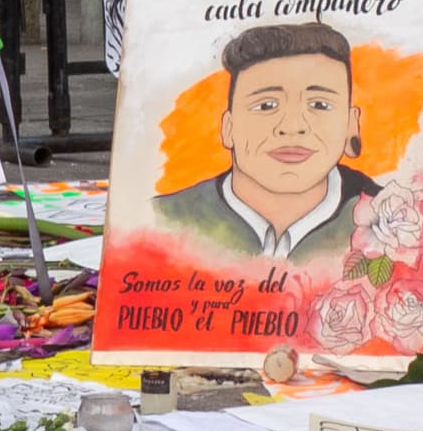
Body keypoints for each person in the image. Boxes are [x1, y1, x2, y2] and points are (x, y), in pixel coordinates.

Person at [147, 19, 381, 267]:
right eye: (266, 105)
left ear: (351, 125)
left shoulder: (401, 224)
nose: (292, 127)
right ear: (228, 127)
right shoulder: (160, 223)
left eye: (319, 105)